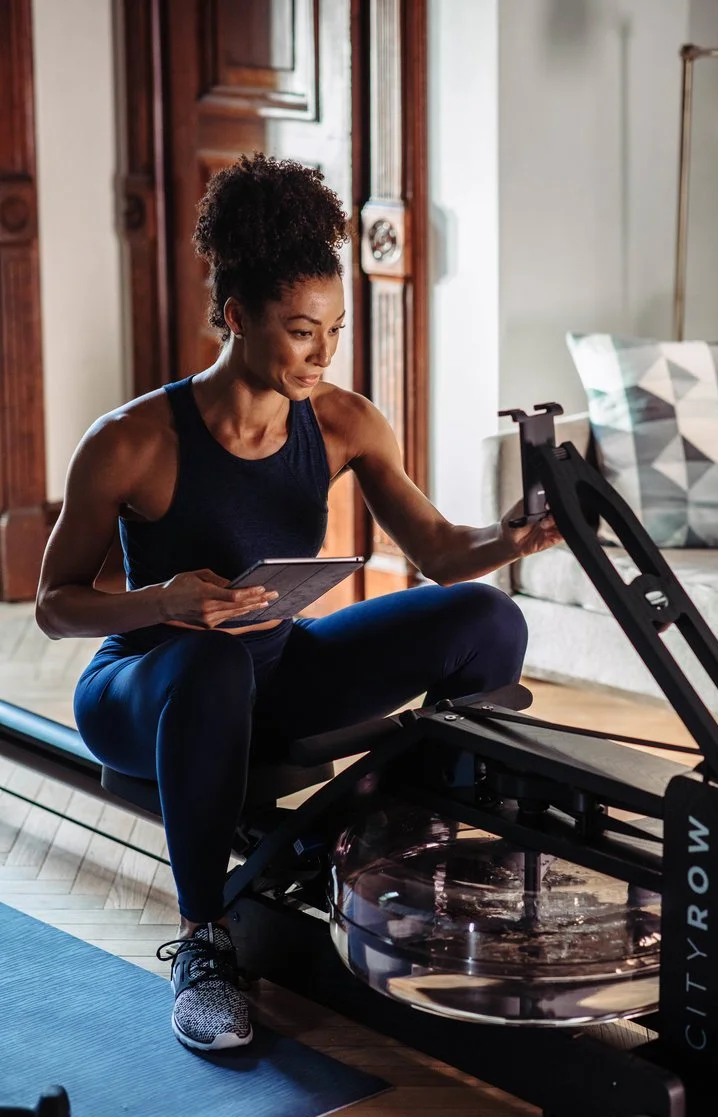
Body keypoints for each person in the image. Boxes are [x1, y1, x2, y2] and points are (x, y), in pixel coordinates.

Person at [35, 153, 561, 1053]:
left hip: (274, 669)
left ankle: (382, 844)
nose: (324, 354)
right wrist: (161, 600)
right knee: (208, 660)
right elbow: (53, 604)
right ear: (238, 317)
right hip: (148, 682)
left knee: (489, 622)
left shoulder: (347, 422)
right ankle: (203, 943)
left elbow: (439, 553)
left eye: (336, 330)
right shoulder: (131, 441)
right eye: (302, 331)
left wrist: (511, 539)